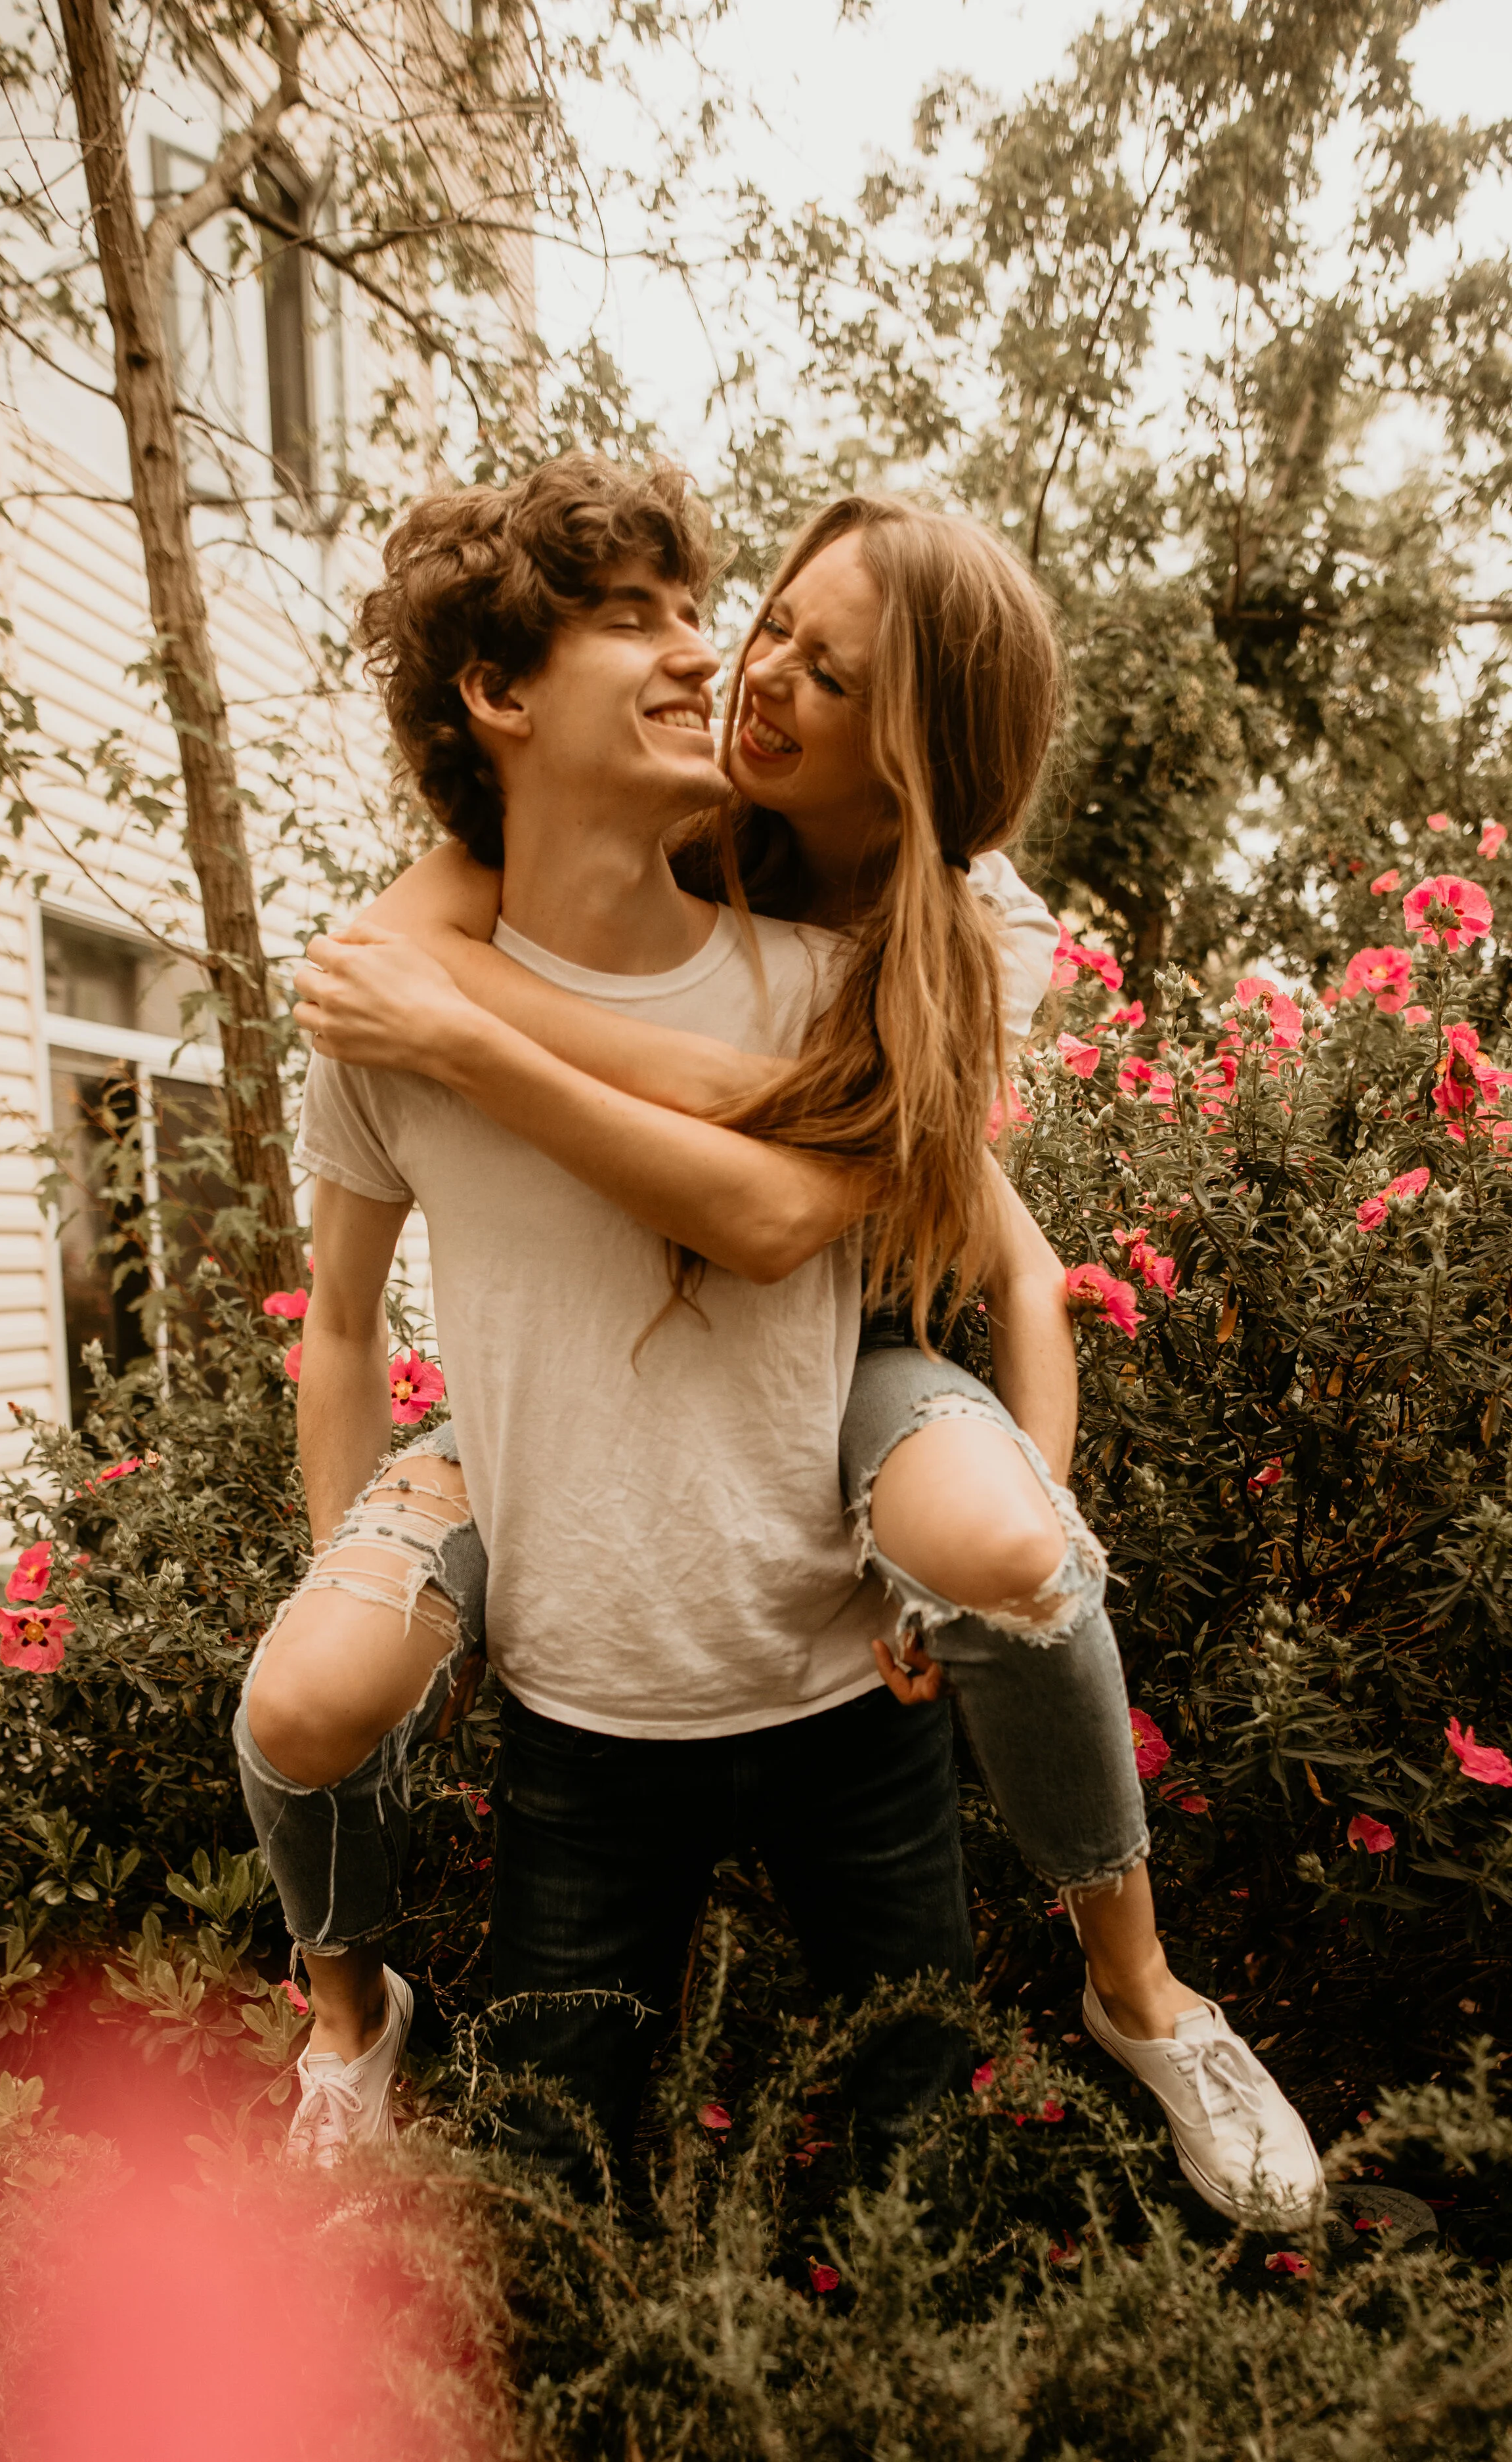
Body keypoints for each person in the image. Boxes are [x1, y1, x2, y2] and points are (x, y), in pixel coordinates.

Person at [244, 456, 1322, 2226]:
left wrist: (474, 1027)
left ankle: (1142, 1986)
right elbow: (407, 1001)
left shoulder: (946, 941)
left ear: (911, 757)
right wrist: (374, 1561)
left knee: (1001, 1568)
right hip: (586, 1638)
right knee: (529, 2181)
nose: (740, 673)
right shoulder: (571, 884)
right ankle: (347, 2022)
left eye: (824, 680)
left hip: (869, 1406)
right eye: (757, 627)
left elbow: (820, 1224)